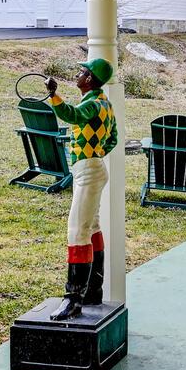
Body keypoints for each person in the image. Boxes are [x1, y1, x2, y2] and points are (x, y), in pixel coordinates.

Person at [44, 58, 118, 321]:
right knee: (92, 227)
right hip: (93, 167)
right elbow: (114, 139)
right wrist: (96, 153)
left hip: (88, 170)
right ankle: (93, 291)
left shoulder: (91, 103)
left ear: (90, 79)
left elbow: (71, 115)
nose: (78, 74)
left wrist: (54, 96)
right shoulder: (105, 104)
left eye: (82, 71)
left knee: (77, 231)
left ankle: (73, 299)